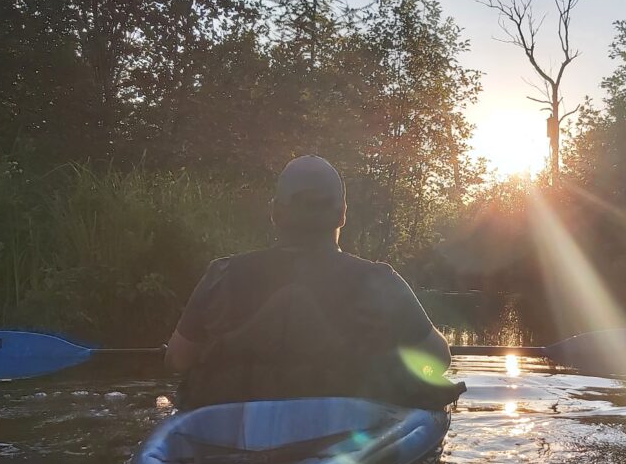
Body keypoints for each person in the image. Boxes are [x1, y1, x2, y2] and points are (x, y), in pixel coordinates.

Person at [166, 156, 462, 410]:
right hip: (342, 438)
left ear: (275, 213)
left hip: (224, 438)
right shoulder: (380, 281)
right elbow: (437, 359)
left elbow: (177, 360)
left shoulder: (221, 275)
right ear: (342, 214)